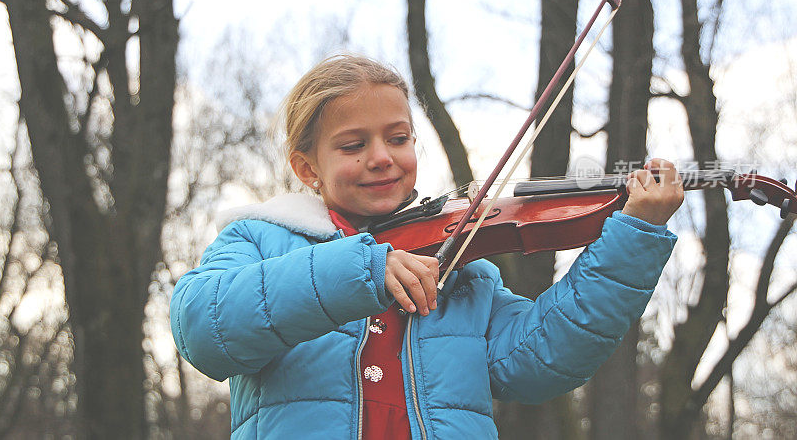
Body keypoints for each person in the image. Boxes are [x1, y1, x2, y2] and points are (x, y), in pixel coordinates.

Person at [170, 54, 684, 439]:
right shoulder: (262, 238)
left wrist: (634, 235)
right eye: (354, 145)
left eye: (399, 138)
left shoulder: (460, 266)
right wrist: (361, 270)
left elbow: (540, 360)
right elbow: (203, 327)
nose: (382, 158)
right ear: (307, 168)